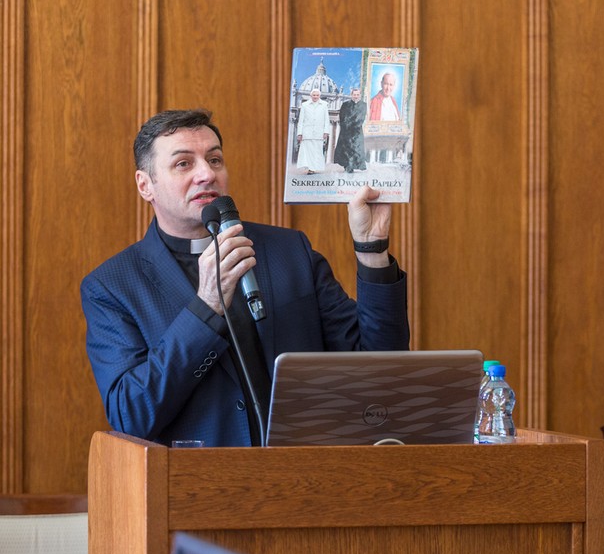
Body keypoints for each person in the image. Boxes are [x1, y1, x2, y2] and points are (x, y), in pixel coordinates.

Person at [81, 109, 409, 448]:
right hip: (199, 489)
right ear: (145, 184)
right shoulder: (112, 286)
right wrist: (206, 305)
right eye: (183, 164)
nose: (206, 174)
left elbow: (380, 368)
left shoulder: (289, 251)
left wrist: (372, 252)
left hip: (308, 481)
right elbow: (131, 415)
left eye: (215, 159)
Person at [295, 89, 330, 173]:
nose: (315, 97)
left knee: (316, 151)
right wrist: (299, 133)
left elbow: (326, 120)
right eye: (314, 95)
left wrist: (326, 131)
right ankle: (311, 168)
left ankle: (313, 168)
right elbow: (301, 120)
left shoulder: (324, 105)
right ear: (311, 96)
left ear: (319, 96)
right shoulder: (304, 105)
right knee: (308, 151)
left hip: (319, 132)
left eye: (317, 95)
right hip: (307, 131)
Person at [333, 88, 368, 173]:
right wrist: (345, 126)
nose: (356, 96)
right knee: (345, 149)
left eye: (357, 95)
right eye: (354, 94)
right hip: (346, 130)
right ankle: (347, 165)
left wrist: (354, 125)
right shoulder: (345, 104)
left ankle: (353, 165)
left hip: (357, 131)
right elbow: (342, 117)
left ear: (360, 95)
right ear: (351, 95)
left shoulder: (364, 105)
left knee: (356, 149)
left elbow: (361, 117)